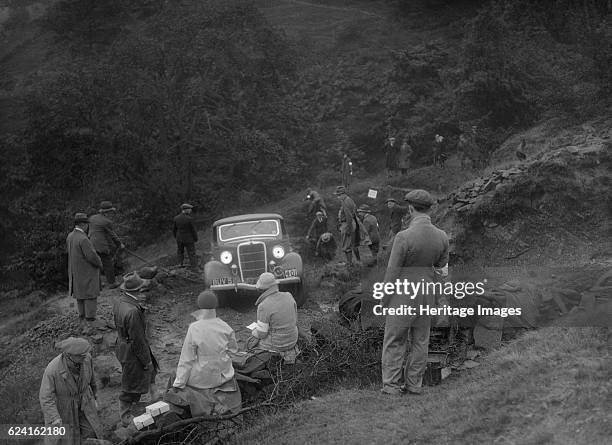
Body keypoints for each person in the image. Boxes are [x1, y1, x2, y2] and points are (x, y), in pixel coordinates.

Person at [380, 189, 449, 395]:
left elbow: (392, 272)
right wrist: (441, 301)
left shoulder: (403, 237)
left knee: (395, 340)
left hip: (403, 295)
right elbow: (441, 271)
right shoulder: (442, 236)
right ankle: (414, 384)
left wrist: (384, 299)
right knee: (421, 341)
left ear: (410, 209)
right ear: (429, 209)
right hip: (427, 293)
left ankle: (391, 386)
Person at [165, 291, 241, 416]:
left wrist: (179, 384)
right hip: (223, 376)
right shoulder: (225, 326)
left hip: (202, 380)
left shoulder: (194, 328)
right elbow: (233, 350)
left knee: (177, 374)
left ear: (199, 306)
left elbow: (186, 359)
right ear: (215, 305)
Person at [113, 274, 159, 427]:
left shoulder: (120, 301)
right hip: (131, 350)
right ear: (139, 289)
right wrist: (146, 361)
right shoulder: (132, 311)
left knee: (152, 371)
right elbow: (137, 340)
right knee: (131, 381)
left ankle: (156, 401)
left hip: (122, 345)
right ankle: (125, 414)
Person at [39, 337, 103, 445]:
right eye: (80, 355)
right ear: (69, 355)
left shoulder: (87, 359)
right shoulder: (52, 370)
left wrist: (95, 397)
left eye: (85, 354)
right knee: (68, 439)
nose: (85, 356)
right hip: (65, 407)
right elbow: (45, 397)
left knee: (92, 431)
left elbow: (92, 380)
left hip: (85, 401)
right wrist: (54, 417)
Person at [250, 272, 299, 363]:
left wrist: (254, 331)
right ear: (275, 284)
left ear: (261, 289)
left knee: (252, 342)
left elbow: (262, 334)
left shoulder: (263, 305)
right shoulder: (289, 295)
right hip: (292, 340)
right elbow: (295, 319)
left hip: (277, 344)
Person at [67, 213, 103, 331]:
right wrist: (100, 263)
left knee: (80, 294)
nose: (88, 226)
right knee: (90, 294)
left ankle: (82, 318)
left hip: (75, 271)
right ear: (83, 224)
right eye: (87, 224)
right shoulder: (83, 238)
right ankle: (91, 320)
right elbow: (92, 256)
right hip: (87, 271)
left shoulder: (70, 236)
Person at [88, 201, 124, 288]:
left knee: (95, 265)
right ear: (107, 212)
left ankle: (98, 285)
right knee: (107, 263)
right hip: (101, 246)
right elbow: (112, 235)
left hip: (90, 244)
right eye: (111, 212)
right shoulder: (106, 222)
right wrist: (120, 244)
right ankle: (112, 283)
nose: (112, 214)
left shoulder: (92, 218)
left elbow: (96, 232)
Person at [334, 185, 360, 266]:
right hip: (347, 223)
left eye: (338, 195)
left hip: (347, 224)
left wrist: (349, 228)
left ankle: (349, 263)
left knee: (347, 245)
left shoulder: (346, 201)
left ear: (342, 194)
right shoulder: (347, 200)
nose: (338, 197)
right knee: (347, 244)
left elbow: (349, 216)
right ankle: (350, 263)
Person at [173, 203, 199, 269]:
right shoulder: (189, 219)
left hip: (179, 239)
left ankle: (180, 264)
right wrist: (195, 238)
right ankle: (194, 267)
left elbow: (174, 230)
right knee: (191, 253)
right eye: (189, 209)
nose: (190, 211)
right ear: (185, 210)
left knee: (180, 252)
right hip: (189, 239)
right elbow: (193, 230)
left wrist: (176, 237)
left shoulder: (176, 218)